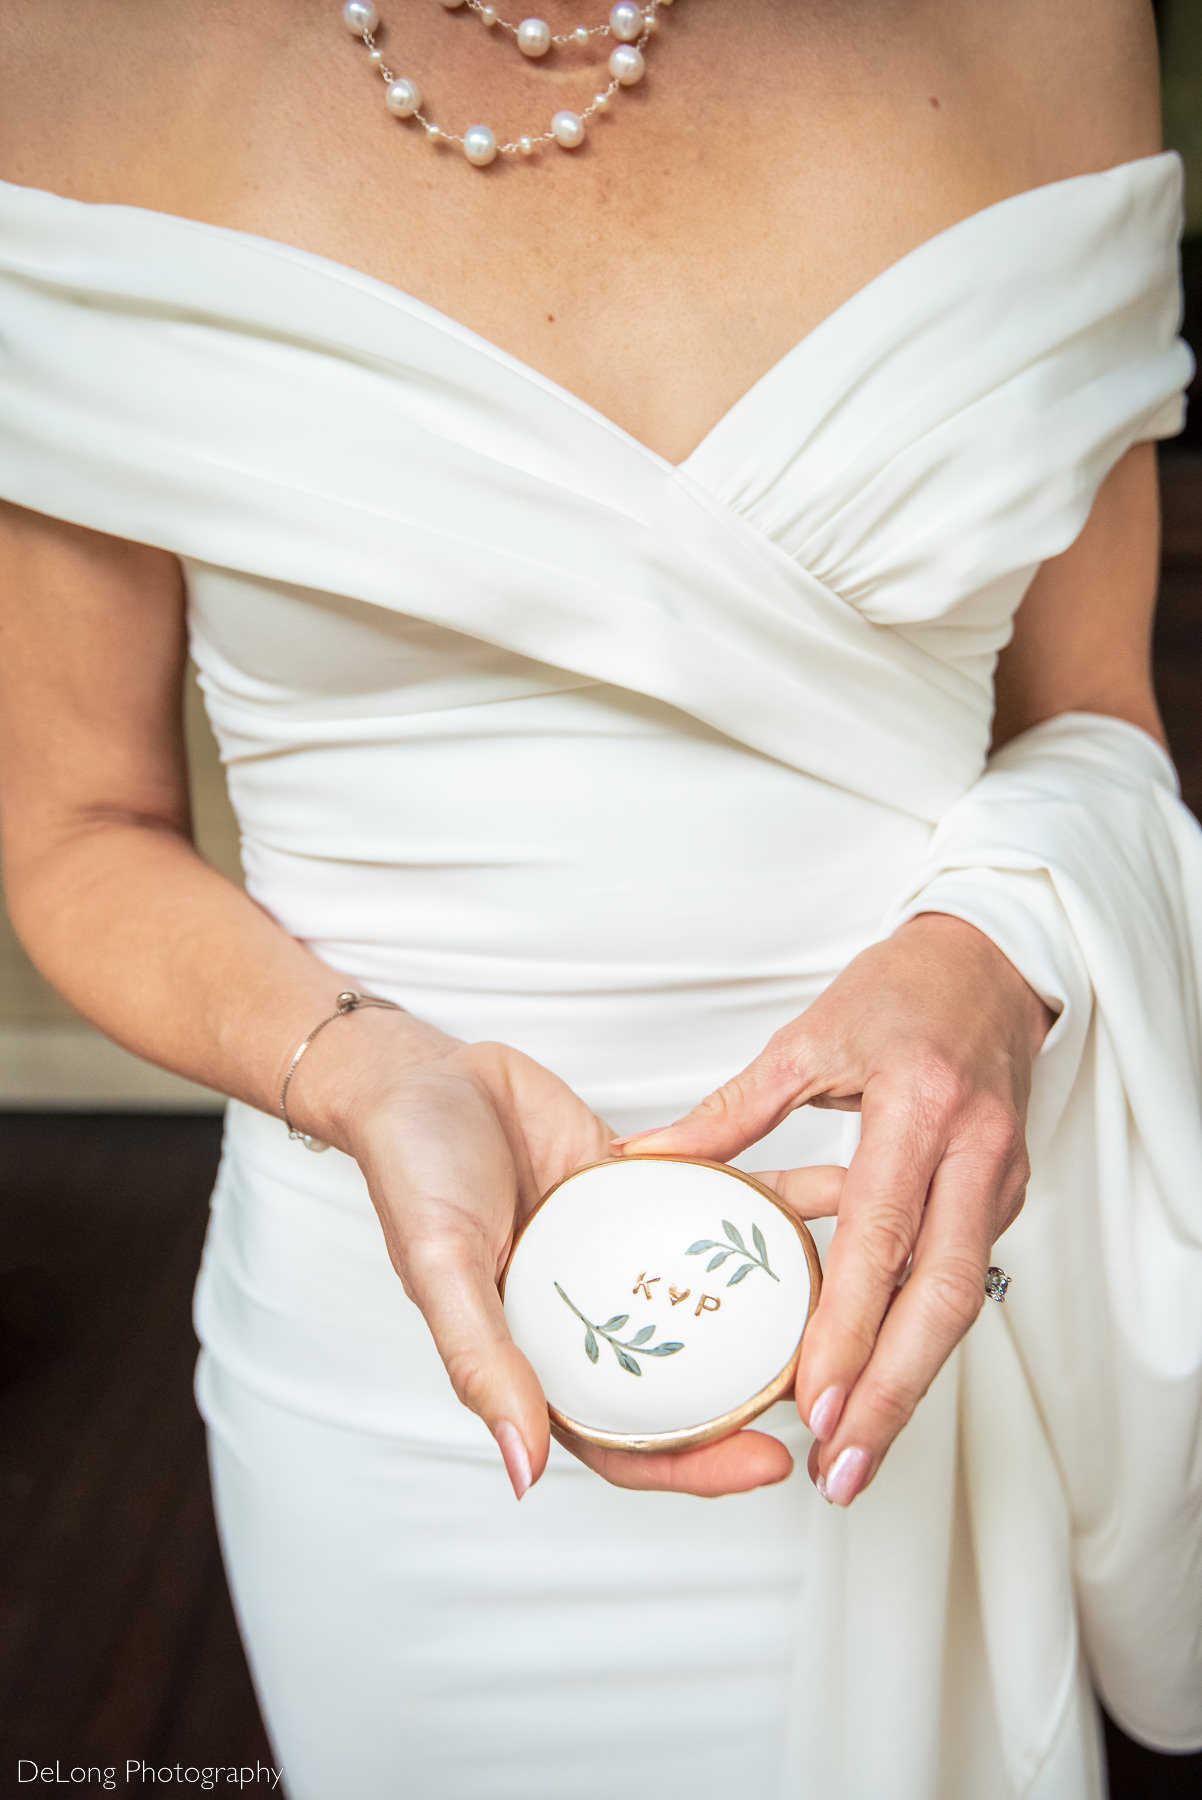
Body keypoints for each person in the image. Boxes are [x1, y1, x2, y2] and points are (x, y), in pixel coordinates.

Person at [0, 0, 1199, 1794]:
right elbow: (75, 826)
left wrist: (993, 948)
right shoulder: (70, 47)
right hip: (412, 1343)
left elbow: (1093, 711)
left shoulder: (1043, 25)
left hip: (916, 1295)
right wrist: (357, 1071)